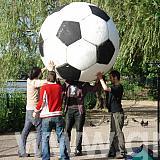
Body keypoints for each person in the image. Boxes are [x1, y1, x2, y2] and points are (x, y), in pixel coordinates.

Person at [33, 71, 70, 160]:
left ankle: (46, 158)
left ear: (47, 78)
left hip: (46, 116)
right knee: (61, 137)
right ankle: (63, 157)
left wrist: (36, 111)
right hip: (58, 115)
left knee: (45, 138)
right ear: (55, 78)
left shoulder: (44, 87)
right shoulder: (59, 87)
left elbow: (41, 102)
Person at [63, 80, 99, 156]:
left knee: (79, 130)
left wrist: (99, 80)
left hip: (79, 111)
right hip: (69, 110)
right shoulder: (67, 83)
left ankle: (78, 149)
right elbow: (60, 90)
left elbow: (94, 89)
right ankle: (65, 149)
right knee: (67, 130)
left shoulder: (84, 84)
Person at [18, 66, 47, 157]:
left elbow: (37, 73)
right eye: (40, 73)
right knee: (40, 131)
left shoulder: (28, 80)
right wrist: (50, 70)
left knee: (25, 131)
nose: (41, 74)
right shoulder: (36, 82)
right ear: (37, 74)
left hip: (28, 110)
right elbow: (48, 81)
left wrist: (45, 68)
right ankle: (38, 153)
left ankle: (21, 152)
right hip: (35, 110)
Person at [97, 70, 126, 159]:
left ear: (115, 77)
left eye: (111, 77)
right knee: (113, 133)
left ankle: (122, 152)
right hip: (113, 113)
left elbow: (105, 88)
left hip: (118, 113)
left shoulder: (118, 87)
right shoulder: (113, 87)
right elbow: (105, 89)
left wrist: (101, 78)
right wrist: (102, 79)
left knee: (118, 132)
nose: (110, 79)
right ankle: (112, 151)